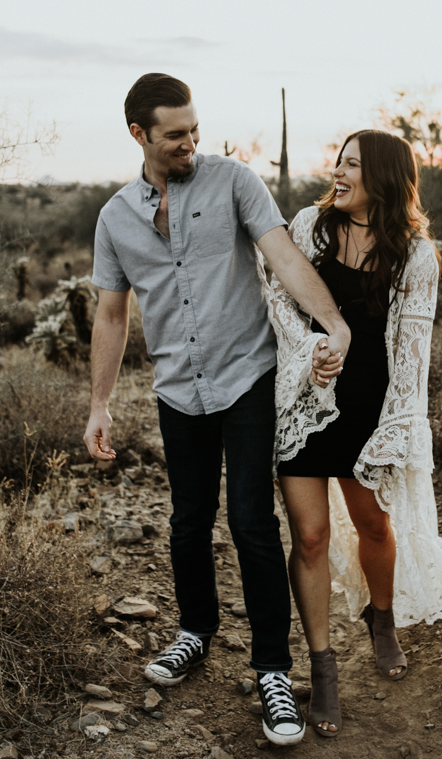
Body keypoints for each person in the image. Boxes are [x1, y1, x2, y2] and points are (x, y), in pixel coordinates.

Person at [83, 73, 351, 747]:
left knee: (252, 520)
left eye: (195, 129)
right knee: (187, 518)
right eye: (175, 134)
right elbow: (111, 314)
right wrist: (99, 403)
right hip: (178, 385)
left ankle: (273, 672)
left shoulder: (233, 181)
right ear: (139, 134)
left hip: (245, 376)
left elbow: (283, 255)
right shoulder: (115, 218)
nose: (191, 142)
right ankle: (196, 630)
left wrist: (333, 323)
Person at [264, 129, 442, 738]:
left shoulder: (415, 255)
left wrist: (395, 432)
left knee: (373, 527)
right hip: (305, 400)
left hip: (371, 411)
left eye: (352, 164)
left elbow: (412, 356)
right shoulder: (309, 226)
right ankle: (323, 667)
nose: (338, 171)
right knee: (308, 538)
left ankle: (381, 618)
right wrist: (309, 351)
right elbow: (279, 298)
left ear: (380, 177)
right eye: (338, 159)